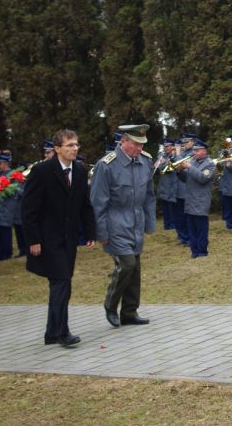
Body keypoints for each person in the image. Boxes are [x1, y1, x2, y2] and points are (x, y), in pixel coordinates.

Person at [21, 129, 96, 346]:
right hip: (48, 239)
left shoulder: (80, 171)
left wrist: (90, 232)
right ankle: (62, 333)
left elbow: (85, 205)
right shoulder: (42, 171)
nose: (75, 149)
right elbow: (28, 210)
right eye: (69, 145)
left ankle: (52, 333)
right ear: (57, 149)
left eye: (76, 144)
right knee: (62, 282)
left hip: (69, 239)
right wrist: (33, 239)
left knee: (62, 284)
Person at [90, 124, 156, 328]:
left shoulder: (145, 161)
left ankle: (129, 312)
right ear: (123, 141)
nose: (139, 148)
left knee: (135, 268)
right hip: (115, 224)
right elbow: (98, 202)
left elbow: (149, 195)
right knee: (127, 264)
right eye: (136, 144)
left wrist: (149, 223)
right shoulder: (106, 165)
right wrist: (101, 232)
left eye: (142, 144)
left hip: (136, 223)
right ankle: (110, 305)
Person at [177, 138, 215, 258]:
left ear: (204, 151)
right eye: (194, 150)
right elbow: (186, 179)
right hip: (190, 200)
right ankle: (194, 251)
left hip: (201, 201)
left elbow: (203, 178)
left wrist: (189, 167)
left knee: (201, 228)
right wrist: (179, 171)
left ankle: (202, 251)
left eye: (197, 150)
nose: (194, 153)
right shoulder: (193, 162)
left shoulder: (210, 164)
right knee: (191, 228)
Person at [0, 154, 16, 260]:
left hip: (7, 205)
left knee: (5, 230)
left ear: (6, 163)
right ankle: (0, 252)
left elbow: (14, 190)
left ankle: (6, 253)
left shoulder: (12, 175)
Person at [174, 134, 195, 246]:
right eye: (183, 142)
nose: (184, 144)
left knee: (188, 216)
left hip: (186, 189)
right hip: (178, 189)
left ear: (192, 142)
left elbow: (181, 165)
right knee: (179, 216)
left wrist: (177, 153)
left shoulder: (193, 153)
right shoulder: (183, 152)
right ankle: (183, 236)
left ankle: (190, 238)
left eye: (187, 142)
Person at [155, 138, 178, 230]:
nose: (165, 148)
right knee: (164, 206)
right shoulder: (162, 155)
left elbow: (169, 168)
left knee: (172, 206)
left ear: (172, 147)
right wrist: (162, 163)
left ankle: (173, 224)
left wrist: (163, 163)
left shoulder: (175, 156)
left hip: (172, 184)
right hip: (163, 185)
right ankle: (167, 224)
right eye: (164, 146)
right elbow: (158, 168)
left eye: (167, 146)